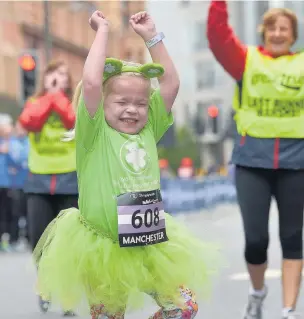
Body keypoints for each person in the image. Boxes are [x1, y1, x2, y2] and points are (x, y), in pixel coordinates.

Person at [33, 10, 216, 319]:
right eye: (121, 102)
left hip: (148, 242)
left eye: (140, 103)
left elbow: (170, 84)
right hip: (102, 245)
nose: (132, 110)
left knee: (184, 306)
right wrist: (102, 32)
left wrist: (151, 37)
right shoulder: (95, 132)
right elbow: (91, 82)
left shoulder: (149, 128)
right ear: (103, 103)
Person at [207, 1, 304, 319]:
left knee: (292, 238)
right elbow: (218, 37)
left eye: (284, 29)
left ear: (294, 36)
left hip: (296, 162)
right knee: (256, 240)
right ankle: (257, 292)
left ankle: (289, 310)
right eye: (272, 28)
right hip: (252, 162)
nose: (278, 33)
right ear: (264, 33)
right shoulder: (246, 60)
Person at [18, 60, 78, 315]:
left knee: (69, 242)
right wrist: (49, 98)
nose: (57, 77)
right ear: (43, 78)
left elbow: (70, 120)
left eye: (63, 74)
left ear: (69, 81)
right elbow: (29, 122)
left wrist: (58, 98)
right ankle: (45, 282)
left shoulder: (76, 103)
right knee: (38, 239)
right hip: (39, 180)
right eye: (53, 73)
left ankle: (68, 294)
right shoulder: (33, 103)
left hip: (69, 180)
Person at [7, 121, 29, 250]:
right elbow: (17, 157)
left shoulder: (29, 141)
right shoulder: (12, 142)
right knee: (15, 213)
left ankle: (28, 238)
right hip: (15, 184)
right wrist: (24, 160)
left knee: (28, 213)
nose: (21, 131)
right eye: (19, 128)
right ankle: (13, 239)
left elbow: (28, 155)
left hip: (28, 183)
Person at [0, 117, 13, 252]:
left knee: (5, 214)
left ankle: (4, 242)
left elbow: (13, 161)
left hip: (5, 183)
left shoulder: (8, 143)